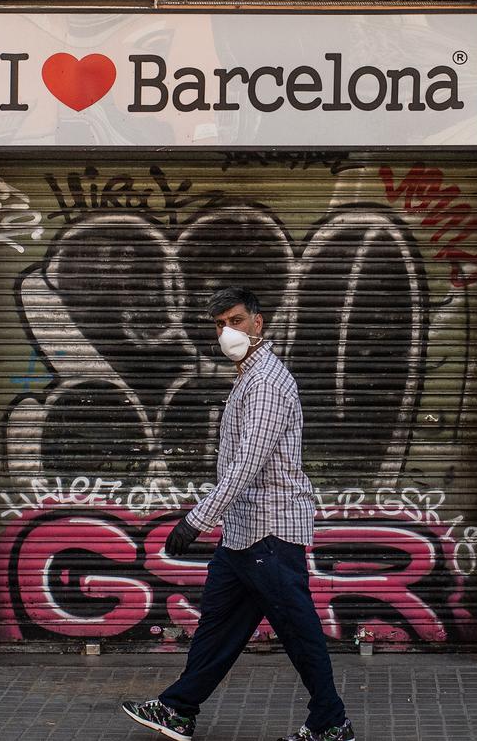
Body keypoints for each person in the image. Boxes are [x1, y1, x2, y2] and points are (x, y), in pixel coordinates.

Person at [121, 286, 354, 741]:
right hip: (243, 533)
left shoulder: (266, 381)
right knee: (219, 625)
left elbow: (249, 462)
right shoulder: (249, 377)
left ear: (258, 323)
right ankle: (178, 709)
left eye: (236, 320)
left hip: (270, 529)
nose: (227, 331)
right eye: (220, 323)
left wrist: (196, 520)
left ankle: (331, 721)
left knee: (297, 628)